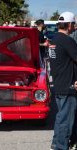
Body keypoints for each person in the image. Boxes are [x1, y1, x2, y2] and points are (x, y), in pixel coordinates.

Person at [49, 12, 77, 150]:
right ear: (70, 25)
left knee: (61, 117)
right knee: (66, 120)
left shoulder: (54, 39)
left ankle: (56, 143)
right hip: (68, 86)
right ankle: (61, 147)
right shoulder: (67, 40)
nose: (75, 26)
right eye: (74, 24)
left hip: (59, 84)